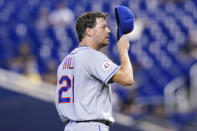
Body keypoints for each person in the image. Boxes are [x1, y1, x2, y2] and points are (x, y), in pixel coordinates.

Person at [55, 11, 134, 131]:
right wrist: (123, 51)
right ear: (89, 31)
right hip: (91, 126)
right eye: (103, 27)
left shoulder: (65, 61)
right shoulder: (91, 56)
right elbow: (127, 79)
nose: (109, 31)